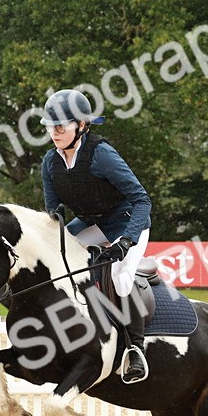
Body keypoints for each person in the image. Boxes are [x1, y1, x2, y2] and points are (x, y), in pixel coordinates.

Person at [40, 89, 152, 383]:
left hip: (128, 222)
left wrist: (127, 242)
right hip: (93, 224)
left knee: (119, 277)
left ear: (81, 126)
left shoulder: (101, 155)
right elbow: (54, 213)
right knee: (57, 261)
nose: (55, 132)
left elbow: (142, 200)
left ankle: (134, 350)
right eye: (51, 126)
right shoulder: (50, 163)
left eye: (61, 126)